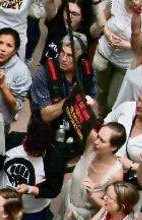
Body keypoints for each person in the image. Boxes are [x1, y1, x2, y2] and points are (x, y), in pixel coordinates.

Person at [56, 122, 126, 220]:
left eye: (102, 140)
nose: (96, 141)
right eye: (98, 136)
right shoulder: (91, 147)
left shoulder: (115, 174)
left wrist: (93, 196)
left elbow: (111, 208)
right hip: (69, 206)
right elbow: (86, 118)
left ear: (113, 147)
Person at [0, 121, 64, 220]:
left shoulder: (53, 159)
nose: (31, 154)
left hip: (31, 211)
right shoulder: (12, 140)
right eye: (28, 149)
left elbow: (54, 189)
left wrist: (31, 189)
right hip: (4, 203)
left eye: (36, 152)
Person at [30, 33, 95, 162]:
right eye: (62, 53)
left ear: (80, 58)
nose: (64, 59)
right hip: (46, 131)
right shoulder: (45, 72)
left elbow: (94, 102)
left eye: (70, 56)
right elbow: (45, 115)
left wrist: (91, 104)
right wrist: (71, 99)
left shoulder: (87, 71)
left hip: (74, 131)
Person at [94, 0, 142, 114]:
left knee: (112, 101)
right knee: (99, 90)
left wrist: (127, 45)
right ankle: (97, 115)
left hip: (124, 63)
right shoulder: (114, 2)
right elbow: (102, 19)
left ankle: (108, 120)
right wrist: (108, 34)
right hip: (104, 53)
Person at [0, 27, 32, 125]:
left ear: (15, 50)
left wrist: (3, 86)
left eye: (9, 45)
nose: (3, 49)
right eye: (0, 43)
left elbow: (16, 106)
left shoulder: (22, 71)